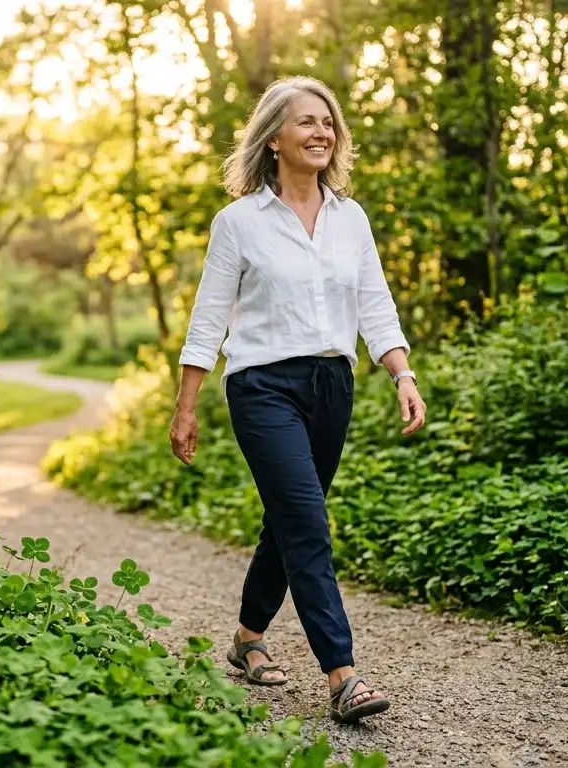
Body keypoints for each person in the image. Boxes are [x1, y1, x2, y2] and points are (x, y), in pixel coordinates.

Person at [169, 76, 426, 725]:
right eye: (307, 122)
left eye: (328, 123)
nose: (321, 132)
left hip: (332, 385)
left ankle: (248, 639)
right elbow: (209, 317)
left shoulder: (351, 218)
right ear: (274, 137)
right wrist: (187, 404)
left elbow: (374, 303)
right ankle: (343, 676)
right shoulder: (238, 223)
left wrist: (402, 374)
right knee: (308, 521)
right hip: (261, 386)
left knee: (287, 523)